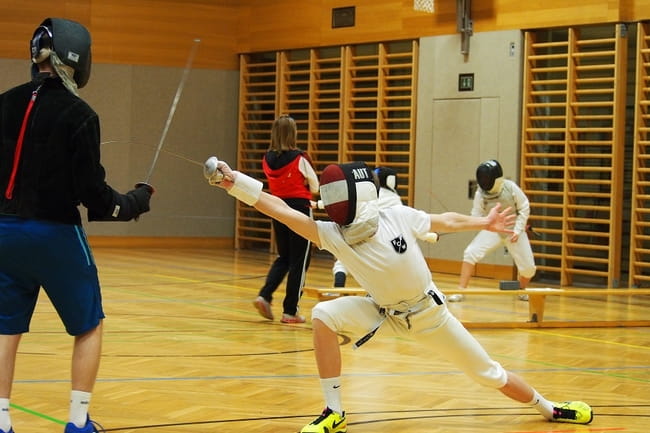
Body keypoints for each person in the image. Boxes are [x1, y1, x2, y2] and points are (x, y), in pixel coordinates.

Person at [204, 158, 592, 433]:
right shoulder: (334, 234)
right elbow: (279, 209)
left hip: (431, 317)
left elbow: (446, 221)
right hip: (383, 313)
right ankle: (333, 410)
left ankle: (551, 408)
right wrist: (233, 181)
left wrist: (483, 221)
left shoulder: (395, 215)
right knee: (324, 314)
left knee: (489, 373)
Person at [0, 18, 153, 433]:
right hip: (54, 234)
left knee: (4, 327)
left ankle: (0, 422)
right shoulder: (80, 113)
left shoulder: (4, 102)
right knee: (88, 324)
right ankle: (78, 422)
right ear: (79, 58)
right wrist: (133, 203)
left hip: (4, 233)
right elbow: (94, 195)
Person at [252, 114, 319, 324]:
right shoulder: (300, 158)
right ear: (293, 134)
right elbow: (315, 185)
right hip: (299, 210)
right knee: (300, 261)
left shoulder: (267, 159)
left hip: (277, 209)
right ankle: (290, 311)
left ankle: (265, 294)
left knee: (284, 257)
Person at [448, 159, 536, 302]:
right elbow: (476, 214)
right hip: (492, 230)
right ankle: (460, 291)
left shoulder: (510, 187)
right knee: (470, 253)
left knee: (528, 269)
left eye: (487, 178)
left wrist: (518, 230)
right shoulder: (480, 193)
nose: (484, 180)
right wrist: (472, 224)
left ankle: (521, 290)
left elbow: (524, 206)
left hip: (512, 230)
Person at [329, 166, 403, 287]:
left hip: (355, 231)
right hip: (378, 237)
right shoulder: (394, 199)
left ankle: (338, 285)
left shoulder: (366, 192)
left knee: (343, 258)